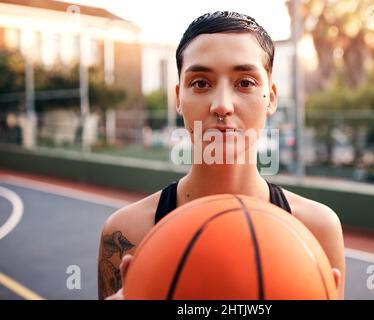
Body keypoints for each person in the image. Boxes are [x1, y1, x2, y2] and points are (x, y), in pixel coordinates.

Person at [98, 11, 345, 300]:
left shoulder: (317, 228)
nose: (222, 105)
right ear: (178, 98)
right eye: (201, 83)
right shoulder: (124, 232)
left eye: (245, 83)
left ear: (272, 98)